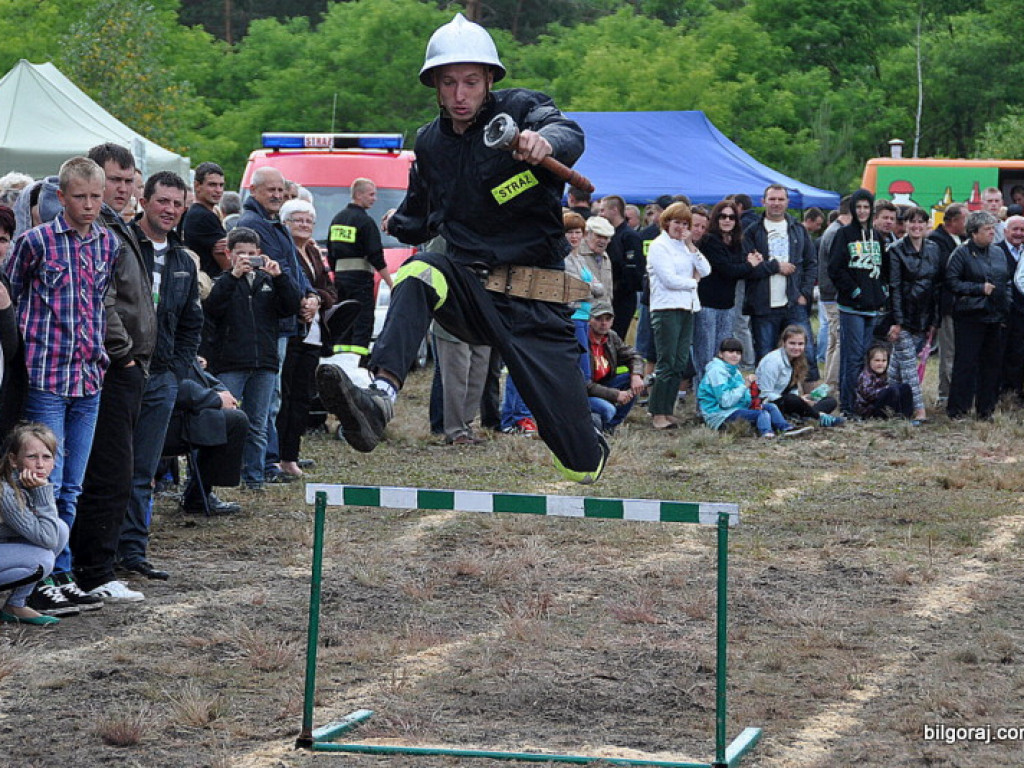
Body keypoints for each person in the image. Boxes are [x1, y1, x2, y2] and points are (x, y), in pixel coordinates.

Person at [316, 13, 608, 484]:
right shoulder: (430, 143)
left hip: (536, 302)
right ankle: (379, 397)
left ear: (489, 79)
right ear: (433, 84)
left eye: (471, 81)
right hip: (471, 290)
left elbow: (567, 133)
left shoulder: (521, 108)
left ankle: (583, 439)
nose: (459, 95)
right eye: (448, 82)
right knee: (419, 271)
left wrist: (541, 140)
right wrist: (400, 222)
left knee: (580, 466)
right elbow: (421, 211)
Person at [5, 157, 117, 616]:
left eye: (96, 197)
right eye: (81, 197)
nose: (89, 206)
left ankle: (61, 571)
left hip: (88, 376)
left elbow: (99, 303)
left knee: (73, 485)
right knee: (42, 478)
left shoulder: (107, 243)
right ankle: (41, 576)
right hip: (47, 375)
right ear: (62, 197)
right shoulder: (35, 243)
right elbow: (11, 294)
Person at [70, 143, 156, 607]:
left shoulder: (118, 225)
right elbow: (99, 299)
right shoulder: (94, 228)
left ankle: (96, 566)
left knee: (116, 470)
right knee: (107, 471)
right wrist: (122, 354)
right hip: (107, 367)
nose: (120, 190)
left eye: (127, 181)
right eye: (112, 182)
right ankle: (93, 571)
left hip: (128, 365)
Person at [115, 171, 202, 582]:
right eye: (162, 201)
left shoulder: (184, 260)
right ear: (144, 200)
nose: (169, 209)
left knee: (144, 469)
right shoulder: (123, 245)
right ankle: (98, 550)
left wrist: (177, 370)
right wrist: (124, 361)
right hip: (118, 373)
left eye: (176, 203)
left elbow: (191, 323)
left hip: (163, 376)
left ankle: (133, 551)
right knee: (111, 465)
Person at [203, 227, 302, 489]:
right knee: (224, 419)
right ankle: (219, 476)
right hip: (231, 362)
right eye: (240, 254)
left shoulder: (268, 281)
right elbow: (212, 309)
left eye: (251, 254)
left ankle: (255, 477)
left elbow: (291, 306)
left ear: (260, 254)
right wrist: (233, 277)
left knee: (258, 422)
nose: (246, 259)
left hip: (265, 363)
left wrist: (280, 277)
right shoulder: (222, 281)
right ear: (229, 254)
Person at [277, 199, 337, 478]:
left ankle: (292, 456)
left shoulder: (314, 252)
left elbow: (330, 290)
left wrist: (317, 301)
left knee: (302, 396)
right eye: (297, 220)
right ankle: (276, 455)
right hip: (290, 331)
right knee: (285, 395)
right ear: (285, 223)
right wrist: (305, 302)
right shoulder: (284, 250)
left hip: (313, 334)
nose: (304, 225)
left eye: (308, 221)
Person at [646, 202, 711, 429]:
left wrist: (691, 244)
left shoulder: (685, 246)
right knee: (667, 361)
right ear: (667, 222)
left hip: (687, 308)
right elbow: (669, 280)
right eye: (677, 222)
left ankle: (667, 409)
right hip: (666, 309)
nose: (681, 227)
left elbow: (706, 270)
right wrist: (693, 283)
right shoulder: (658, 246)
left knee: (680, 361)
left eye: (685, 224)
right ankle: (656, 412)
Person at [741, 184, 818, 372]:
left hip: (794, 303)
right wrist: (775, 267)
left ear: (787, 202)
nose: (776, 203)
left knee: (807, 357)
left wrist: (804, 293)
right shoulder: (752, 231)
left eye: (780, 199)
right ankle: (768, 400)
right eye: (772, 199)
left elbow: (811, 263)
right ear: (763, 201)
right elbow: (748, 270)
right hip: (763, 306)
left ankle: (811, 400)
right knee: (766, 358)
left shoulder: (798, 229)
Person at [829, 188, 889, 417]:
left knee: (864, 355)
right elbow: (835, 268)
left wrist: (882, 291)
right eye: (859, 207)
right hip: (851, 306)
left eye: (866, 207)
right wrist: (854, 290)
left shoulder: (876, 236)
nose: (862, 211)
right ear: (852, 209)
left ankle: (863, 402)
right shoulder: (843, 235)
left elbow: (883, 267)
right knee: (851, 357)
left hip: (872, 307)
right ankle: (847, 406)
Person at [946, 210, 1012, 420]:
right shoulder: (960, 253)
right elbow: (952, 283)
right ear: (974, 232)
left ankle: (986, 409)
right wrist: (978, 289)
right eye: (987, 229)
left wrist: (1005, 303)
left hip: (995, 316)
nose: (992, 233)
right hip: (970, 316)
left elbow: (1006, 280)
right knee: (966, 363)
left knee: (991, 365)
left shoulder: (998, 253)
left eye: (993, 229)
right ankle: (958, 409)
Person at [0, 423, 68, 624]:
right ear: (14, 460)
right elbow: (47, 539)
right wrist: (44, 494)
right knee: (42, 560)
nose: (39, 464)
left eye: (46, 457)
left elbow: (51, 533)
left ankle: (16, 605)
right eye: (31, 457)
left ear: (54, 462)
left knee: (60, 529)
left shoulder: (25, 486)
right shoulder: (6, 492)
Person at [693, 200, 766, 387]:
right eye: (722, 216)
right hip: (707, 305)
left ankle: (721, 396)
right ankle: (704, 403)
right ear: (715, 218)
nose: (727, 220)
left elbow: (740, 268)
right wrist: (749, 264)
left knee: (723, 355)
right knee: (706, 356)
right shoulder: (709, 241)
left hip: (728, 306)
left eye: (731, 217)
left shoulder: (736, 243)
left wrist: (748, 264)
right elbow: (728, 269)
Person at [163, 358, 247, 515]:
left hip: (188, 412)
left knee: (234, 420)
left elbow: (199, 375)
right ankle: (198, 497)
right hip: (164, 421)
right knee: (232, 422)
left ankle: (200, 495)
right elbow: (170, 384)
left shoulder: (184, 343)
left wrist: (223, 392)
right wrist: (215, 399)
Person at [884, 206, 940, 422]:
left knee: (897, 365)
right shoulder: (895, 250)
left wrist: (934, 319)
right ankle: (919, 409)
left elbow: (937, 285)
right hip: (904, 314)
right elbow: (894, 287)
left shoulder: (934, 249)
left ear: (927, 225)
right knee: (908, 366)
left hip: (925, 315)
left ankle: (891, 403)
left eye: (920, 222)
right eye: (912, 222)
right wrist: (897, 321)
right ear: (905, 225)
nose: (916, 226)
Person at [328, 177, 392, 363]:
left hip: (340, 280)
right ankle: (358, 365)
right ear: (358, 194)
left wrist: (337, 275)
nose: (375, 199)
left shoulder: (337, 219)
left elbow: (331, 253)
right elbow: (376, 256)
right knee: (362, 322)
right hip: (361, 281)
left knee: (343, 320)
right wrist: (390, 283)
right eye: (371, 194)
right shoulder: (365, 222)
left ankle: (339, 363)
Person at [697, 338, 806, 439]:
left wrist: (754, 399)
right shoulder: (716, 372)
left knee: (770, 407)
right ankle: (767, 434)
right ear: (721, 354)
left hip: (734, 409)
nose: (734, 355)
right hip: (719, 415)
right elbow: (725, 401)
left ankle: (786, 428)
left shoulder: (735, 371)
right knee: (762, 414)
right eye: (730, 352)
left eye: (738, 353)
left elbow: (742, 397)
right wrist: (745, 386)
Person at [755, 325, 843, 427]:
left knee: (830, 401)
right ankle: (818, 417)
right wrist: (798, 401)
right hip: (770, 404)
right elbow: (765, 393)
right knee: (792, 399)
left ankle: (804, 417)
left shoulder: (797, 360)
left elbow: (792, 388)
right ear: (784, 343)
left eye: (800, 344)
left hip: (790, 401)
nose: (796, 348)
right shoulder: (773, 361)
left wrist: (803, 400)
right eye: (792, 343)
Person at [929, 203, 966, 405]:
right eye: (964, 219)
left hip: (960, 305)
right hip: (947, 304)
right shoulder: (937, 241)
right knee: (948, 352)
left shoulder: (960, 239)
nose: (967, 223)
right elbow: (945, 272)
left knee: (955, 351)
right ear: (952, 221)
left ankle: (947, 393)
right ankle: (947, 396)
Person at [586, 308, 645, 433]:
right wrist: (615, 394)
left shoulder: (611, 336)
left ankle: (609, 427)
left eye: (608, 319)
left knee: (633, 381)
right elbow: (584, 384)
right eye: (598, 319)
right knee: (608, 410)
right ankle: (594, 424)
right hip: (582, 393)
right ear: (589, 320)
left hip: (602, 384)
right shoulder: (581, 340)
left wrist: (636, 375)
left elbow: (633, 355)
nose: (604, 323)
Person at [600, 194, 646, 339]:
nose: (600, 214)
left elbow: (635, 271)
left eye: (603, 210)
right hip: (607, 295)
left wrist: (618, 287)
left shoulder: (629, 236)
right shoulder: (609, 235)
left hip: (623, 298)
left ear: (614, 210)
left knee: (616, 337)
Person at [182, 161, 228, 278]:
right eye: (212, 185)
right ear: (197, 186)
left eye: (221, 185)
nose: (218, 190)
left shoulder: (195, 212)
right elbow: (225, 259)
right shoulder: (203, 216)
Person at [998, 215, 1024, 400]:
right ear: (1005, 231)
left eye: (1022, 230)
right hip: (1002, 313)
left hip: (1022, 313)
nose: (1019, 233)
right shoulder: (995, 251)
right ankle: (1001, 391)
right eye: (1015, 229)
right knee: (1000, 353)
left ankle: (1015, 392)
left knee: (1019, 352)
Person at [855, 344, 913, 419]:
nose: (880, 364)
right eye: (877, 360)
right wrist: (885, 390)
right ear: (869, 361)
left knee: (905, 387)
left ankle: (905, 416)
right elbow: (867, 394)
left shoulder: (886, 374)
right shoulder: (866, 375)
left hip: (885, 403)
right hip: (870, 409)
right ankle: (885, 416)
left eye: (884, 361)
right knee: (891, 391)